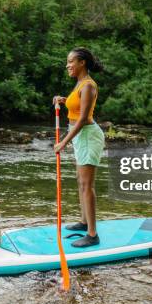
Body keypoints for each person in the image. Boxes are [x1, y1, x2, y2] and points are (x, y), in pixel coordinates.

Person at [53, 47, 105, 247]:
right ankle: (84, 222)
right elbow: (77, 107)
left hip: (87, 136)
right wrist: (63, 100)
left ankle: (92, 235)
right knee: (80, 181)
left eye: (71, 62)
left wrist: (63, 142)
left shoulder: (89, 85)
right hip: (80, 136)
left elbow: (83, 118)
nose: (67, 66)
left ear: (82, 62)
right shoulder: (80, 84)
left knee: (86, 185)